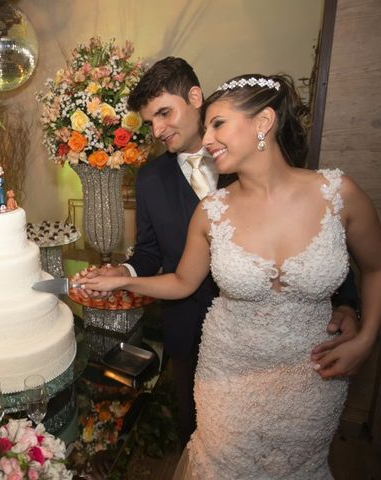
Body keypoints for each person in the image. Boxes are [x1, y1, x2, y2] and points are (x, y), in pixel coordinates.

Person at [79, 73, 381, 479]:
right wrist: (123, 279)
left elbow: (373, 266)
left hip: (311, 375)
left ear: (263, 122)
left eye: (217, 124)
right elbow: (183, 279)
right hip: (227, 374)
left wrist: (365, 338)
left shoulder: (337, 192)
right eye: (206, 128)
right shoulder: (210, 209)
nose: (206, 139)